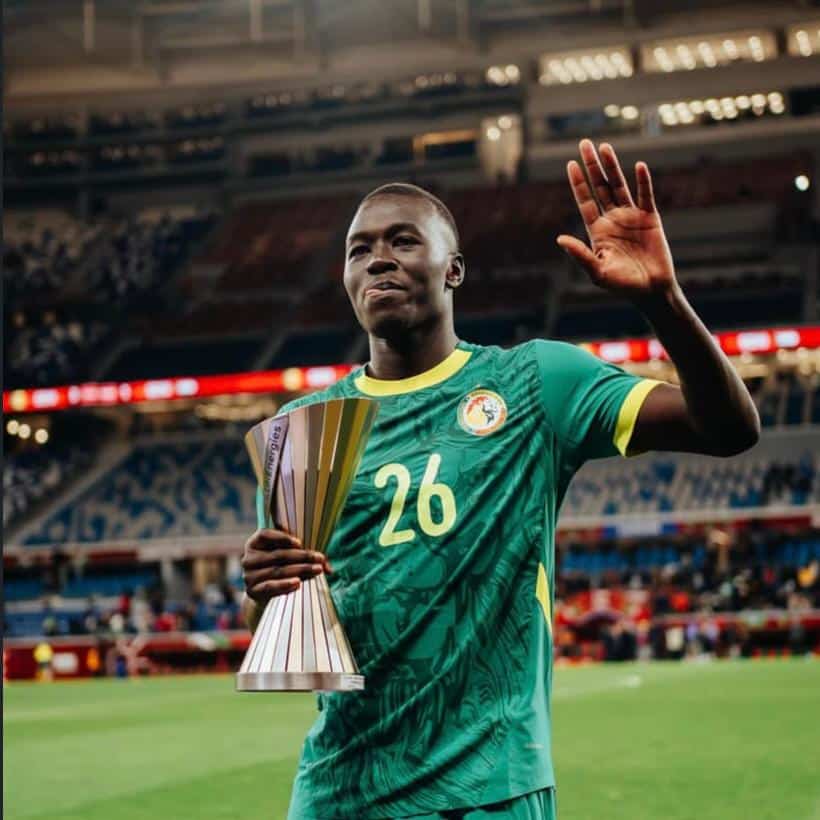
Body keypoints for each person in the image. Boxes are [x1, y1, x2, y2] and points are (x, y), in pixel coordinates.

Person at [240, 140, 760, 820]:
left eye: (403, 241)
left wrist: (664, 302)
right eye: (358, 249)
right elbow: (287, 632)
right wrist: (260, 594)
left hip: (490, 790)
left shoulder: (535, 381)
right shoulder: (303, 431)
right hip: (341, 792)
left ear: (454, 269)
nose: (378, 259)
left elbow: (727, 429)